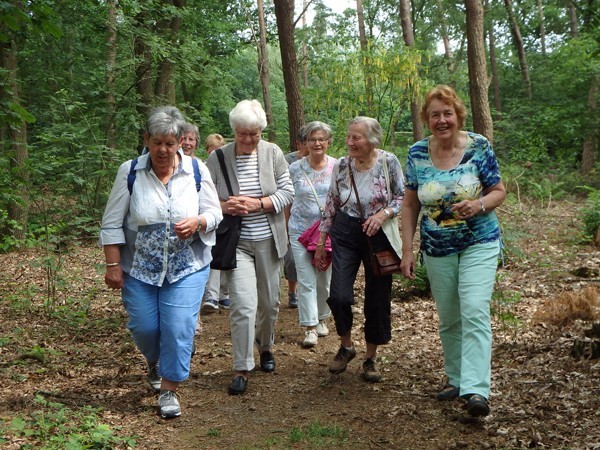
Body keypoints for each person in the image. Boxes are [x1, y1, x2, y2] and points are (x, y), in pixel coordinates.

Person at [100, 106, 222, 419]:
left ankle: (169, 388)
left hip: (187, 267)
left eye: (170, 143)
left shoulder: (196, 170)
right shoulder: (130, 172)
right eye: (157, 142)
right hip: (139, 268)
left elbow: (215, 213)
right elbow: (111, 222)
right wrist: (112, 265)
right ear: (146, 140)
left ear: (181, 141)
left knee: (178, 327)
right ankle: (155, 360)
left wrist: (198, 222)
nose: (163, 150)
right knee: (144, 328)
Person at [400, 85, 506, 417]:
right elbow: (410, 203)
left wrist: (478, 204)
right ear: (427, 119)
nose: (442, 120)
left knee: (474, 309)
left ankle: (477, 390)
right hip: (437, 247)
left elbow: (498, 190)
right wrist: (407, 249)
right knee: (449, 316)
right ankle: (456, 378)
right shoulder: (417, 153)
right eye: (435, 115)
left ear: (458, 115)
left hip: (479, 241)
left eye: (447, 113)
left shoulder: (478, 146)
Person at [205, 100, 294, 395]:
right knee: (243, 305)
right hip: (236, 244)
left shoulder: (273, 153)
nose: (248, 139)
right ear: (234, 131)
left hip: (269, 241)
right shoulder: (217, 158)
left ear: (261, 132)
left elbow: (288, 191)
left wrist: (260, 203)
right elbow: (202, 197)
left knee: (269, 303)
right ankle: (241, 367)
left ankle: (265, 346)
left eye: (254, 134)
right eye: (242, 134)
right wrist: (224, 206)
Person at [314, 116, 404, 383]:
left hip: (378, 233)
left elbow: (402, 196)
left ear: (372, 140)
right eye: (348, 136)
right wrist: (321, 241)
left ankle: (371, 357)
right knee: (339, 295)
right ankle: (347, 345)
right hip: (345, 232)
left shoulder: (388, 162)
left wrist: (383, 214)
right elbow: (331, 202)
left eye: (356, 137)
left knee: (377, 298)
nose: (350, 142)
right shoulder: (342, 165)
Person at [288, 121, 336, 348]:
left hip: (327, 232)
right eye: (312, 139)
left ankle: (323, 317)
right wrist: (286, 225)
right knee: (306, 279)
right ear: (305, 143)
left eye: (321, 139)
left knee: (324, 278)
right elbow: (288, 199)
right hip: (300, 230)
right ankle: (310, 327)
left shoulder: (337, 166)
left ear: (328, 142)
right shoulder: (294, 168)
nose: (317, 143)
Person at [200, 133, 231, 314]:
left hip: (227, 218)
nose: (215, 153)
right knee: (213, 255)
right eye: (212, 150)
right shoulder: (203, 168)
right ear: (207, 150)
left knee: (227, 254)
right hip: (210, 217)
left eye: (218, 150)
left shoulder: (228, 167)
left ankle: (224, 293)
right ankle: (211, 294)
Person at [283, 127, 308, 308]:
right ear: (299, 144)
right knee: (292, 259)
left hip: (317, 219)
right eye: (308, 141)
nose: (314, 144)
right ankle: (292, 291)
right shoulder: (287, 162)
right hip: (293, 217)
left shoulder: (328, 164)